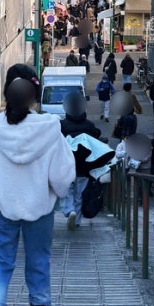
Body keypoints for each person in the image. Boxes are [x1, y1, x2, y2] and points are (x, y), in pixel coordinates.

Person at [0, 70, 75, 306]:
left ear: (5, 97)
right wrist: (59, 194)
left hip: (1, 204)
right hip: (39, 206)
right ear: (33, 100)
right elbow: (63, 174)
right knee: (39, 258)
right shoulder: (50, 128)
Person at [58, 90, 101, 230]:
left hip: (67, 164)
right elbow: (96, 139)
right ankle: (77, 220)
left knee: (68, 190)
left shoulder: (62, 126)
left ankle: (69, 211)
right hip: (85, 166)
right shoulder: (89, 125)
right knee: (80, 193)